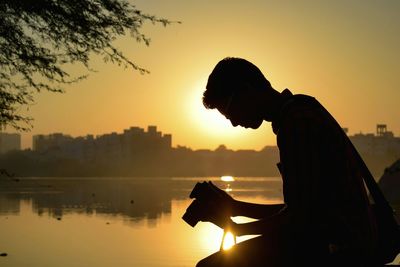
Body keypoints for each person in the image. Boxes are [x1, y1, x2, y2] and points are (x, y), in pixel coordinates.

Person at [195, 57, 378, 267]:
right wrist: (234, 207)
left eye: (230, 112)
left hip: (341, 248)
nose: (235, 123)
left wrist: (238, 228)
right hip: (339, 238)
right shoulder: (298, 112)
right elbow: (301, 209)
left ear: (246, 91)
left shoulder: (297, 123)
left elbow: (299, 219)